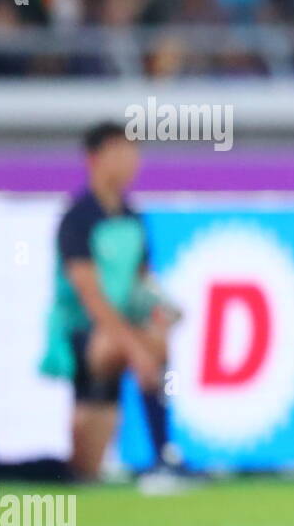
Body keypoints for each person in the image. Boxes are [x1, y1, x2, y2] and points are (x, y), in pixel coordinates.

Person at [33, 121, 183, 486]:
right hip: (81, 333)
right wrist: (136, 350)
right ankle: (159, 456)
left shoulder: (132, 215)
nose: (131, 161)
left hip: (118, 332)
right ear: (95, 159)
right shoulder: (78, 218)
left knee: (87, 471)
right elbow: (91, 296)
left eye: (134, 152)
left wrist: (164, 310)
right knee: (81, 469)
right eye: (121, 152)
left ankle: (163, 456)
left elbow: (143, 281)